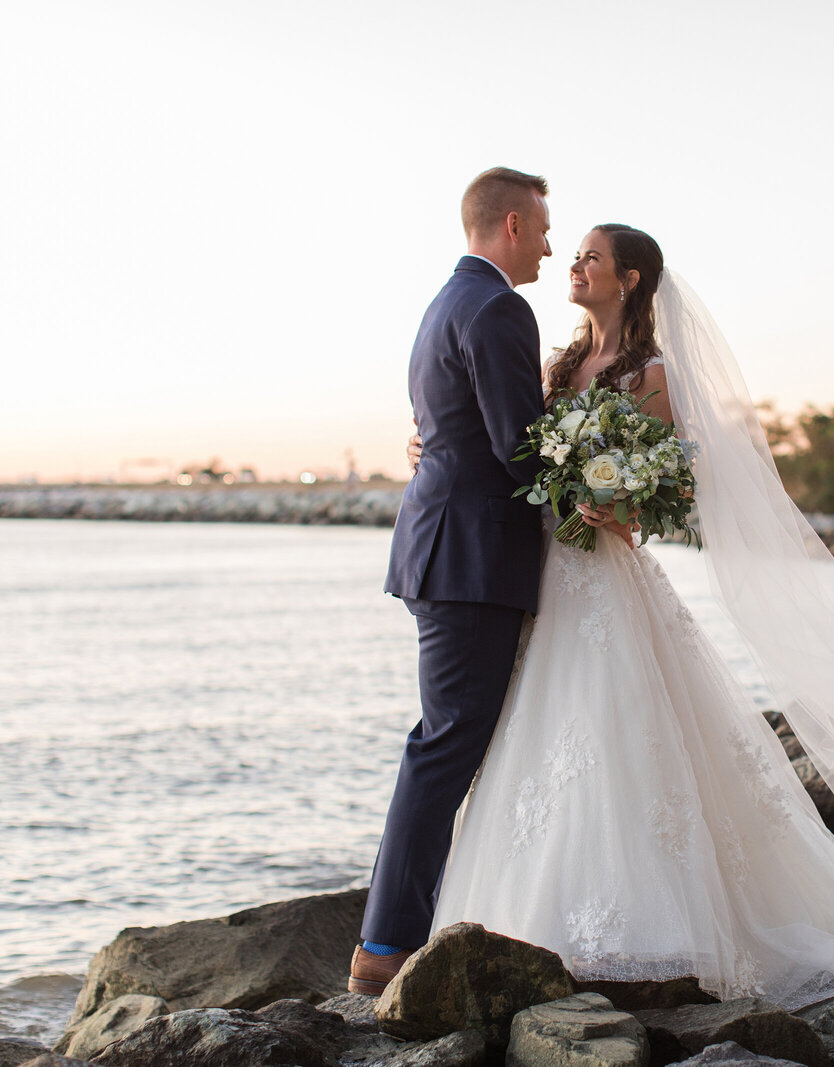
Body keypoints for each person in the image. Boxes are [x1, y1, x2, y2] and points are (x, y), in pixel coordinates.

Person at [393, 223, 834, 1056]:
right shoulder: (559, 365)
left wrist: (613, 503)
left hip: (603, 574)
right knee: (544, 744)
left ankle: (645, 929)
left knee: (618, 732)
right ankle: (527, 922)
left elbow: (670, 485)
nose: (574, 263)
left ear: (628, 279)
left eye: (591, 255)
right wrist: (429, 443)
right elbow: (505, 439)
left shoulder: (649, 376)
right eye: (574, 250)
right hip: (548, 579)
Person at [349, 166, 556, 996]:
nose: (547, 243)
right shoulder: (500, 306)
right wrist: (601, 480)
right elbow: (519, 445)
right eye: (541, 227)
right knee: (444, 748)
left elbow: (458, 430)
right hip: (469, 557)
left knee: (451, 741)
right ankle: (385, 944)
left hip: (449, 548)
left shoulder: (447, 302)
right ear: (510, 223)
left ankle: (413, 924)